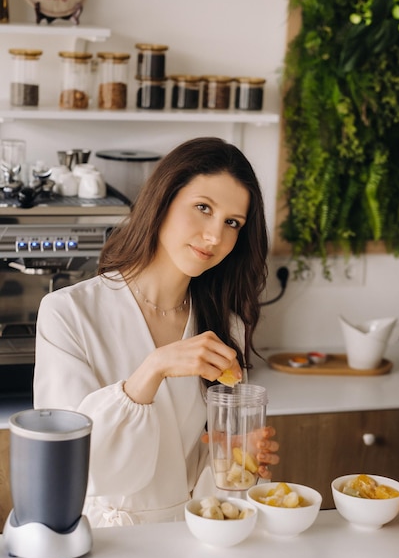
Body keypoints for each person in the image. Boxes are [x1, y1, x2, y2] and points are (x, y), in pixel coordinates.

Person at [34, 137, 279, 528]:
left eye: (232, 223)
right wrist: (152, 371)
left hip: (189, 535)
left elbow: (206, 475)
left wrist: (234, 460)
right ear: (163, 200)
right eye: (203, 208)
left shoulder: (223, 326)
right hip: (100, 542)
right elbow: (71, 462)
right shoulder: (68, 312)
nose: (215, 236)